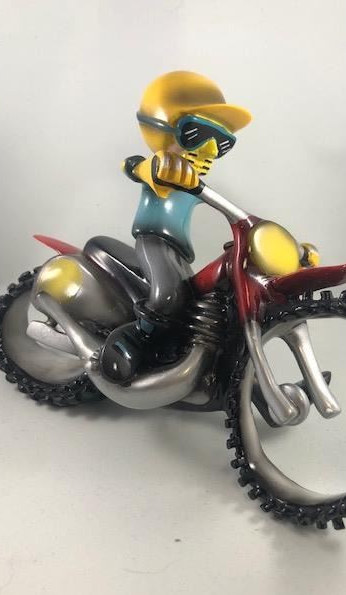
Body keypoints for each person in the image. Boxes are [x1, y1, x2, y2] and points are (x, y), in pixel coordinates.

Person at [99, 70, 252, 383]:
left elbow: (237, 214)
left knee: (199, 299)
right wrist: (155, 165)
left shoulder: (195, 186)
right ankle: (136, 339)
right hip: (154, 241)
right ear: (162, 127)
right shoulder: (159, 171)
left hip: (180, 253)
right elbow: (132, 166)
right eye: (198, 134)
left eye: (222, 143)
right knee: (169, 295)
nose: (211, 151)